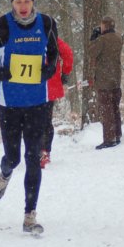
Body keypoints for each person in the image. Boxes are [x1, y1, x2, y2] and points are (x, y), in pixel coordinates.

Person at [0, 0, 59, 234]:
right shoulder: (0, 25)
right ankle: (4, 174)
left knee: (33, 157)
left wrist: (50, 69)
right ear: (12, 3)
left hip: (37, 103)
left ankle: (29, 216)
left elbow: (54, 53)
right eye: (18, 2)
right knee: (13, 158)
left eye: (27, 1)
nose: (23, 7)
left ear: (33, 2)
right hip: (10, 104)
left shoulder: (47, 23)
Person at [88, 16, 123, 149]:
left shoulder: (102, 40)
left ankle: (109, 139)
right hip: (116, 78)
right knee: (115, 108)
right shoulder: (119, 38)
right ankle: (117, 135)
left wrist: (94, 39)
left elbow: (92, 53)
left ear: (104, 26)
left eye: (101, 26)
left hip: (104, 79)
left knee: (106, 109)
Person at [40, 37, 74, 168]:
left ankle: (39, 151)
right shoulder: (52, 37)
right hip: (50, 85)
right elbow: (68, 53)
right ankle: (44, 152)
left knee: (34, 121)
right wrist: (65, 74)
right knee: (46, 120)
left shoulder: (29, 36)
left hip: (32, 86)